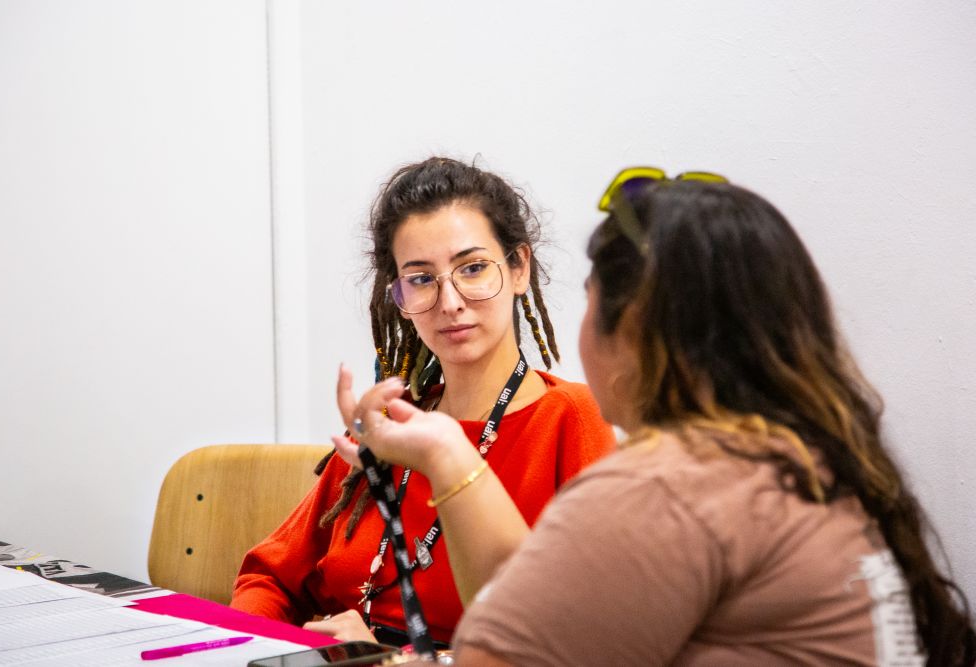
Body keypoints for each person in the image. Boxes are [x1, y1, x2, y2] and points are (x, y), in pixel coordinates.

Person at [336, 170, 976, 665]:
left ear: (633, 333)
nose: (450, 301)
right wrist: (449, 449)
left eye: (589, 301)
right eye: (420, 279)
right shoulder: (794, 463)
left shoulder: (667, 487)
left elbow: (502, 654)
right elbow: (537, 610)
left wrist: (447, 458)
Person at [230, 157, 616, 647]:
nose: (449, 300)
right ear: (398, 296)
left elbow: (579, 639)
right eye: (420, 278)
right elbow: (268, 578)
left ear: (519, 268)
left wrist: (385, 655)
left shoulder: (573, 419)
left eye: (472, 268)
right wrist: (257, 650)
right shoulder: (390, 420)